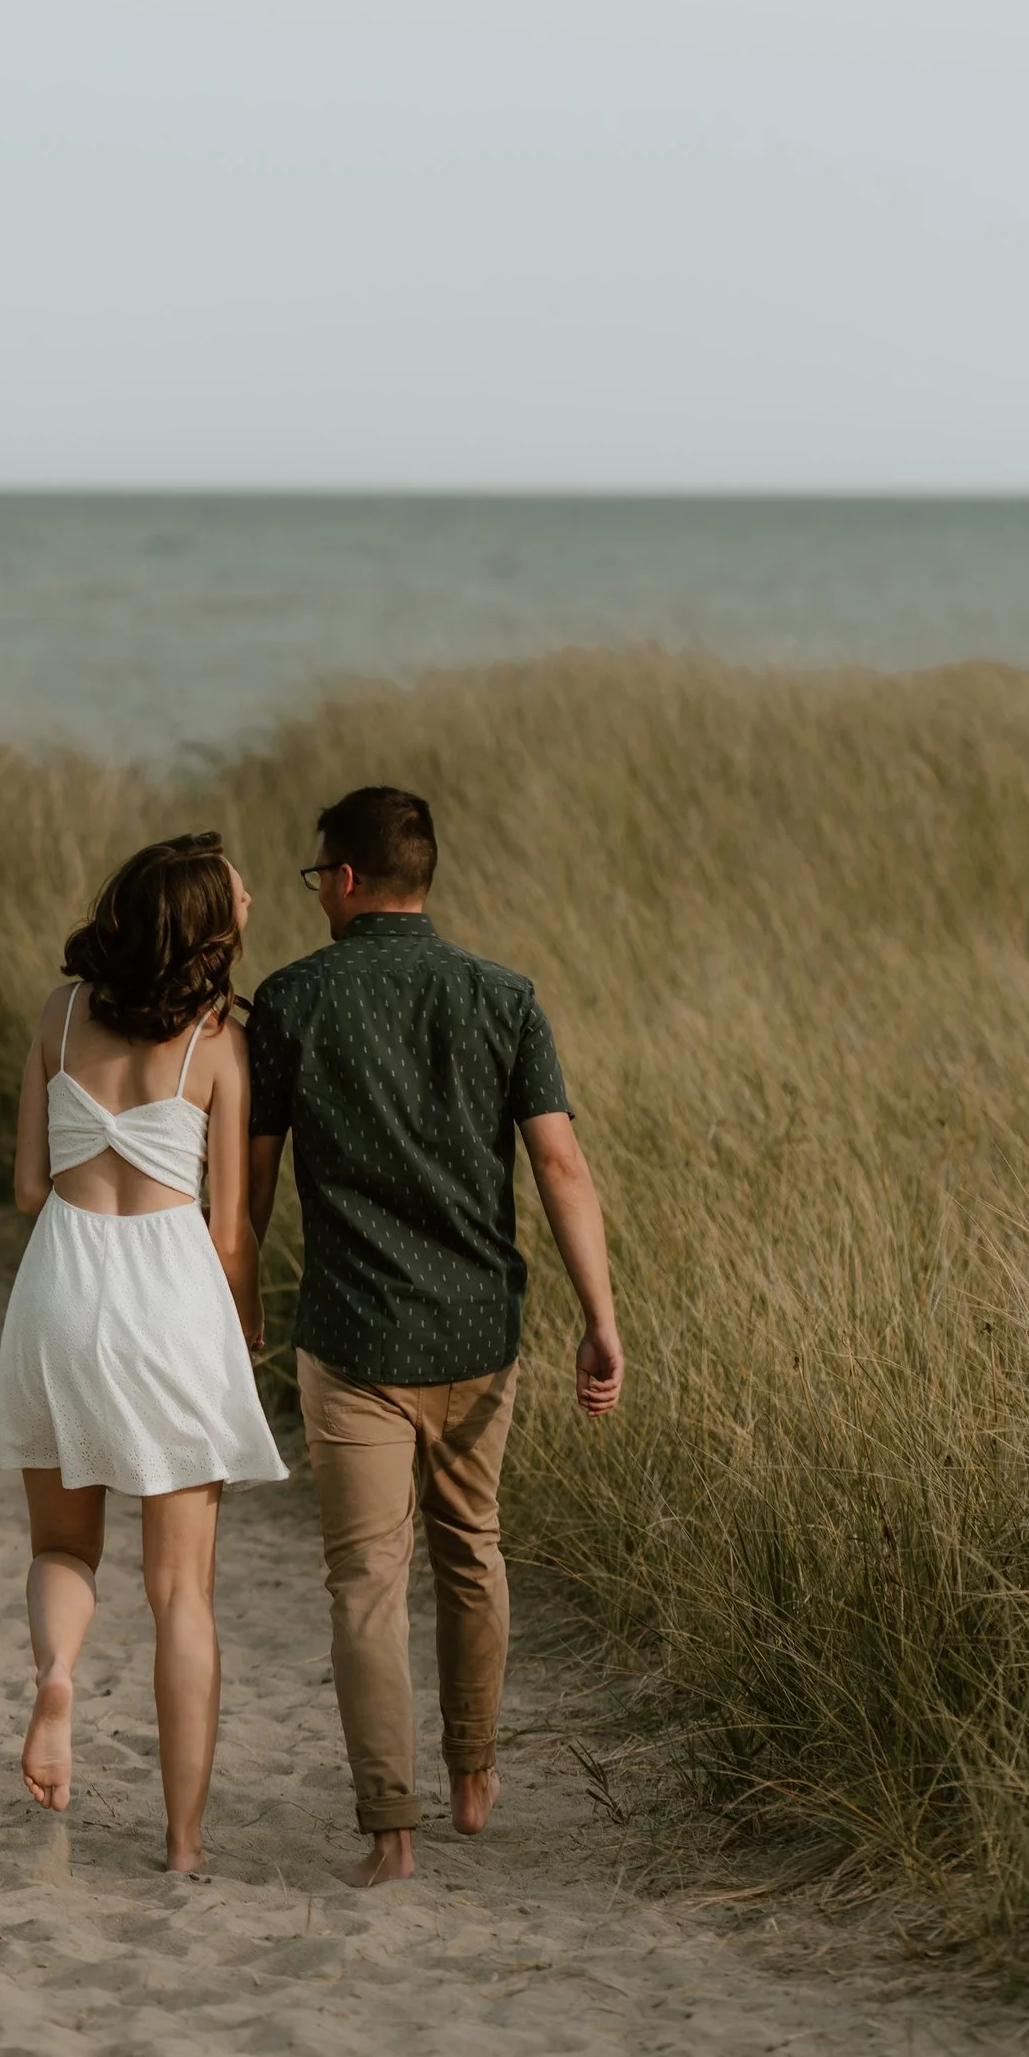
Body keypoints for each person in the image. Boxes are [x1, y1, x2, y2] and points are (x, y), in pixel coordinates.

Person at [247, 783, 623, 1887]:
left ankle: (389, 1833)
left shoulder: (291, 1000)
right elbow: (562, 1167)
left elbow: (254, 1186)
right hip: (479, 1331)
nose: (318, 894)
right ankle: (471, 1775)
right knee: (473, 1552)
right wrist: (599, 1320)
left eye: (319, 876)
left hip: (352, 1331)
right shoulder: (503, 997)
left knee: (365, 1581)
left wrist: (236, 1310)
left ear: (347, 878)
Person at [0, 831, 287, 1874]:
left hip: (63, 1286)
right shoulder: (217, 1044)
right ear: (206, 926)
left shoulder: (59, 1017)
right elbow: (231, 1228)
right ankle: (184, 1842)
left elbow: (29, 1186)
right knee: (181, 1595)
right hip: (170, 1296)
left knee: (65, 1549)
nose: (251, 894)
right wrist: (242, 1333)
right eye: (240, 891)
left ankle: (58, 1676)